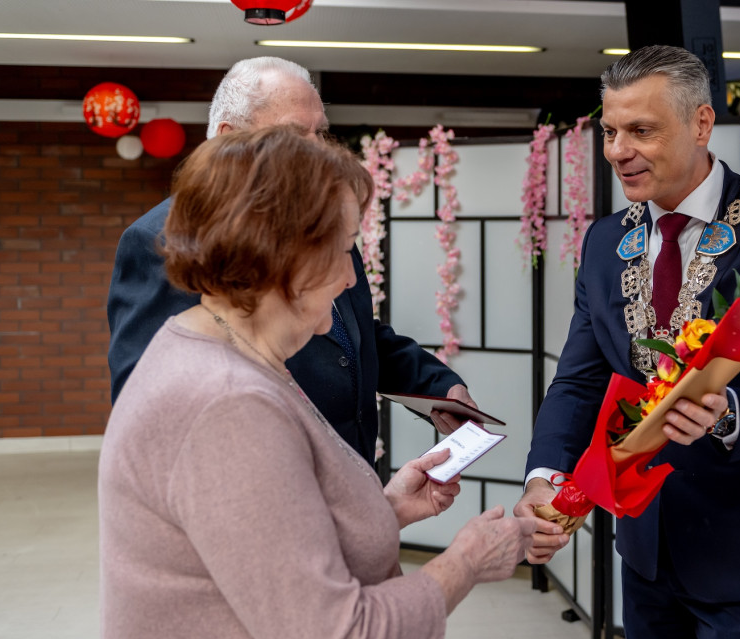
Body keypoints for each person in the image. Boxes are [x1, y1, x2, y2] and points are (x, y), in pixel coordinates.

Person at [98, 126, 536, 639]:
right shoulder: (228, 406)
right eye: (342, 248)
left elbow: (258, 542)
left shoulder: (220, 347)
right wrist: (467, 561)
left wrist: (386, 508)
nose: (352, 275)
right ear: (285, 256)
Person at [514, 45, 740, 639]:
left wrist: (732, 413)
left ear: (701, 124)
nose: (618, 151)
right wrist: (545, 478)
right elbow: (579, 382)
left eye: (642, 131)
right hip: (644, 550)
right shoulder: (604, 241)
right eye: (611, 131)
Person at [107, 57, 474, 464]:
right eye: (295, 134)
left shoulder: (319, 222)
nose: (318, 150)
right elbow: (149, 410)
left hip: (352, 479)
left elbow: (348, 335)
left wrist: (434, 385)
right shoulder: (163, 241)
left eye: (321, 133)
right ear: (230, 140)